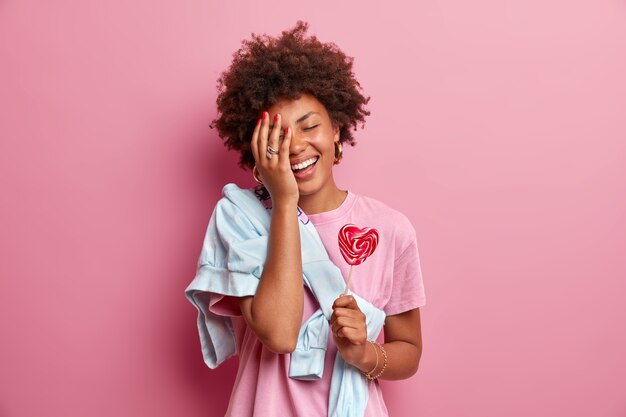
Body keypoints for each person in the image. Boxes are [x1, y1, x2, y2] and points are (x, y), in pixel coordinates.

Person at [185, 21, 426, 417]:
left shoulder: (391, 228)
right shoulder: (239, 218)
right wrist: (284, 203)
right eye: (277, 137)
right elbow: (279, 334)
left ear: (336, 129)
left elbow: (409, 351)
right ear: (255, 148)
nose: (296, 145)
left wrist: (364, 353)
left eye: (310, 126)